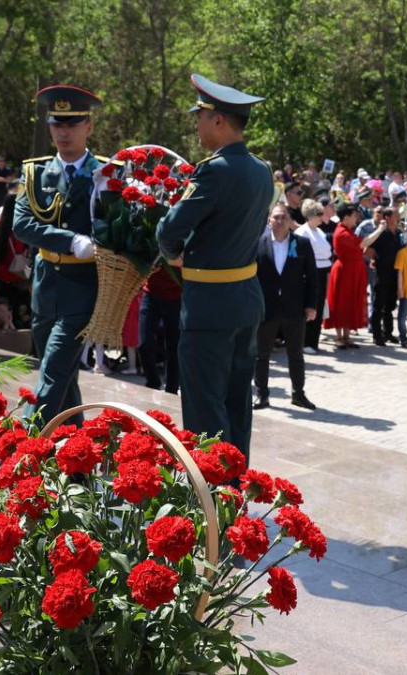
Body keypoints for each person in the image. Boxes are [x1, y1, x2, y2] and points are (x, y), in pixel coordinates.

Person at [155, 75, 274, 460]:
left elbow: (170, 228)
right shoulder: (261, 170)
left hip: (209, 305)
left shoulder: (214, 170)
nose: (197, 125)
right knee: (238, 403)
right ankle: (234, 490)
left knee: (205, 408)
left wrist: (173, 253)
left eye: (201, 116)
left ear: (219, 120)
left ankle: (208, 502)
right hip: (245, 300)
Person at [12, 86, 106, 425]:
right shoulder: (35, 173)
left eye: (72, 124)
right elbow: (21, 224)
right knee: (64, 375)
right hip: (46, 284)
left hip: (83, 286)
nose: (63, 132)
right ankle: (76, 453)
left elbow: (118, 231)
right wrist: (69, 240)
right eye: (57, 124)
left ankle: (24, 446)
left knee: (52, 371)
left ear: (88, 127)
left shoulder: (106, 174)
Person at [253, 205, 319, 410]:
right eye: (276, 217)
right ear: (269, 221)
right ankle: (262, 395)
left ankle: (298, 393)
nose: (280, 221)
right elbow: (251, 277)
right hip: (267, 308)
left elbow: (313, 277)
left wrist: (311, 305)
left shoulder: (302, 243)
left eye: (284, 217)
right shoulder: (258, 244)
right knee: (262, 354)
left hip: (294, 308)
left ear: (290, 221)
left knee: (296, 354)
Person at [324, 203, 368, 349]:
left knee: (349, 301)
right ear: (346, 217)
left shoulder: (348, 230)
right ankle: (339, 336)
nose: (356, 218)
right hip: (344, 270)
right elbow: (361, 244)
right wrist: (380, 230)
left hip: (352, 269)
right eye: (354, 215)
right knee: (340, 301)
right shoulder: (342, 232)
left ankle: (347, 336)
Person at [294, 198, 333, 354]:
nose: (321, 216)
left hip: (323, 269)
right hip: (311, 271)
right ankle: (305, 342)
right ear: (310, 215)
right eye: (318, 214)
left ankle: (313, 341)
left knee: (319, 304)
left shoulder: (319, 231)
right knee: (310, 304)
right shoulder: (302, 232)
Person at [362, 205, 402, 346]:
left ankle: (388, 332)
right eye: (396, 214)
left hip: (395, 272)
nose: (398, 216)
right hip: (382, 272)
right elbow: (367, 250)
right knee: (379, 303)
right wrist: (376, 259)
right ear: (388, 217)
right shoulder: (381, 234)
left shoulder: (398, 233)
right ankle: (377, 335)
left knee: (390, 304)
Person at [138, 267, 182, 394]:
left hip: (176, 297)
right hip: (151, 295)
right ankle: (153, 384)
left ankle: (171, 390)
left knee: (173, 349)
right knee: (143, 345)